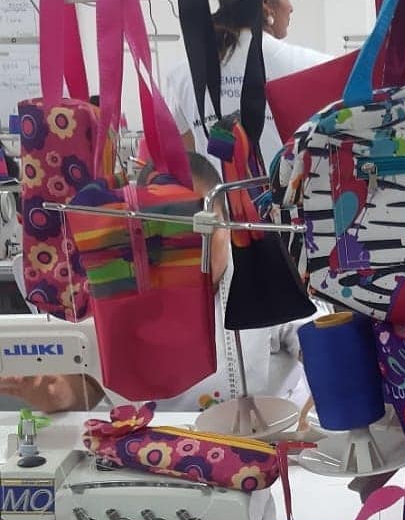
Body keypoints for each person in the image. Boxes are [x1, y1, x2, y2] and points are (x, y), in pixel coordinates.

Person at [0, 153, 309, 416]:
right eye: (170, 232)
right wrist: (52, 393)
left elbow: (314, 343)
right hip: (157, 450)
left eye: (202, 230)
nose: (191, 250)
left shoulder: (263, 275)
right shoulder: (120, 288)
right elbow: (88, 385)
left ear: (227, 222)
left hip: (258, 442)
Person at [165, 0, 330, 170]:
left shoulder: (180, 75)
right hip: (290, 185)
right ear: (265, 2)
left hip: (221, 187)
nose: (291, 7)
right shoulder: (316, 65)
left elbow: (192, 165)